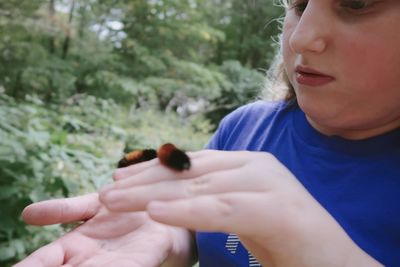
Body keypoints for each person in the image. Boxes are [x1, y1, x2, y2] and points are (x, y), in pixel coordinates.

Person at [16, 0, 400, 266]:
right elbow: (202, 236)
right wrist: (166, 233)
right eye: (298, 6)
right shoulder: (244, 127)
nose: (301, 38)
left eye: (356, 3)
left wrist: (301, 237)